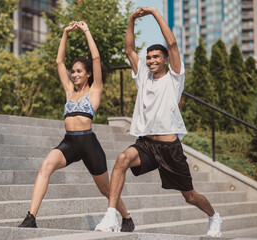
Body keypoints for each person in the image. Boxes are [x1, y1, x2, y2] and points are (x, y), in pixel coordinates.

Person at [94, 7, 222, 237]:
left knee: (189, 196)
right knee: (122, 160)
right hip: (146, 144)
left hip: (170, 147)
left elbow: (172, 44)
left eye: (155, 57)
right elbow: (128, 49)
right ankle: (111, 213)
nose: (151, 60)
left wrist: (154, 12)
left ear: (164, 60)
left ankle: (214, 216)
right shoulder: (143, 76)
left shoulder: (175, 78)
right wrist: (132, 19)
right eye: (149, 57)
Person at [18, 21, 134, 232]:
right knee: (46, 166)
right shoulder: (69, 91)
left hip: (88, 143)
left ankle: (126, 218)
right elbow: (58, 61)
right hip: (69, 142)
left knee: (106, 189)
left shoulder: (95, 91)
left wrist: (86, 31)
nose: (75, 74)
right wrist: (65, 33)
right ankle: (31, 217)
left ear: (89, 74)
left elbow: (96, 58)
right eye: (73, 71)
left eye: (79, 71)